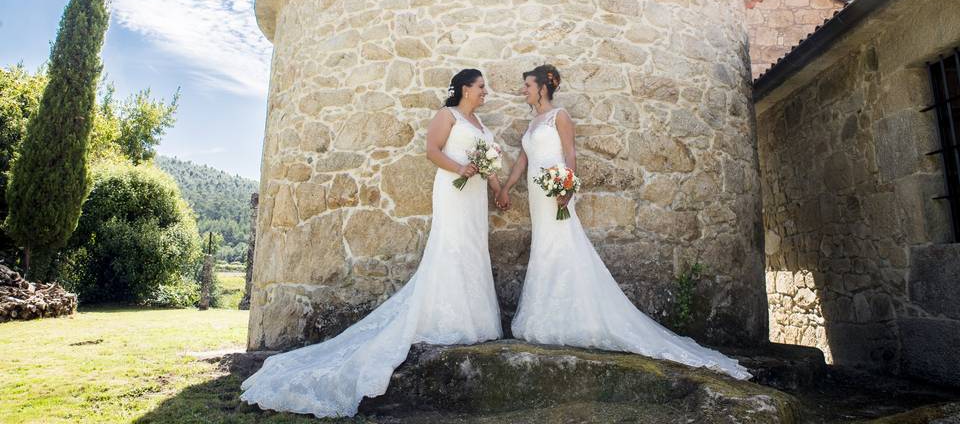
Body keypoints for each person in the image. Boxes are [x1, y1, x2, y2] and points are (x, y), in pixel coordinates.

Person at [240, 69, 504, 417]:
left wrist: (497, 186)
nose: (486, 91)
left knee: (472, 248)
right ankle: (449, 317)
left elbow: (487, 161)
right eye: (481, 86)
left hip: (474, 196)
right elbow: (432, 151)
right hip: (454, 190)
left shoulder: (480, 125)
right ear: (466, 89)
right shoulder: (447, 115)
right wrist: (460, 168)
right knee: (452, 247)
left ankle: (477, 319)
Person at [496, 64, 751, 380]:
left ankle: (577, 317)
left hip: (556, 189)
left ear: (543, 88)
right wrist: (507, 187)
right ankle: (545, 314)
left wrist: (567, 186)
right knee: (544, 248)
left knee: (563, 244)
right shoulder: (532, 122)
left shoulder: (558, 116)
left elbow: (570, 154)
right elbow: (524, 158)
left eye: (528, 85)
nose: (525, 90)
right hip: (537, 194)